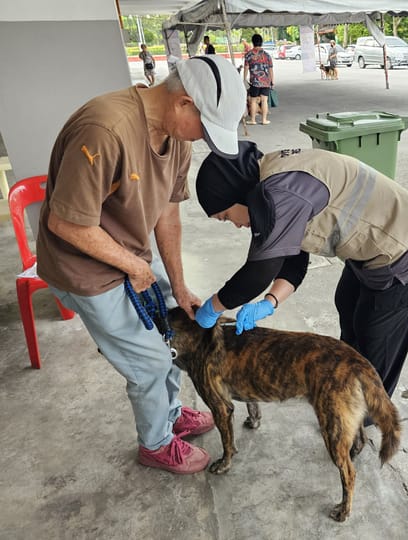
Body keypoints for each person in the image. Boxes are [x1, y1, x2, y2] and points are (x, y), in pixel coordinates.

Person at [36, 55, 245, 474]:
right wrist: (130, 264)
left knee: (171, 333)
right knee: (148, 361)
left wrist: (180, 285)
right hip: (85, 268)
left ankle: (168, 414)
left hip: (129, 254)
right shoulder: (104, 130)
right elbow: (65, 223)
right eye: (205, 127)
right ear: (183, 103)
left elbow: (167, 214)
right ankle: (155, 443)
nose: (202, 138)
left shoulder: (178, 137)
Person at [192, 143, 408, 402]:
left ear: (235, 194)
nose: (234, 224)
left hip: (403, 245)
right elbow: (293, 257)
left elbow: (259, 272)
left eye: (225, 216)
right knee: (347, 302)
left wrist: (214, 306)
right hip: (372, 248)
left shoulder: (278, 194)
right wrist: (270, 302)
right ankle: (348, 384)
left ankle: (368, 409)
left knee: (376, 334)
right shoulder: (270, 178)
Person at [243, 34, 274, 125]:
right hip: (266, 81)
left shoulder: (248, 55)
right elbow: (271, 69)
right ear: (261, 42)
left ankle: (253, 120)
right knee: (264, 100)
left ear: (253, 42)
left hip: (254, 82)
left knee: (253, 101)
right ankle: (264, 120)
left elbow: (246, 68)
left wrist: (244, 79)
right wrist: (272, 81)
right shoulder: (267, 55)